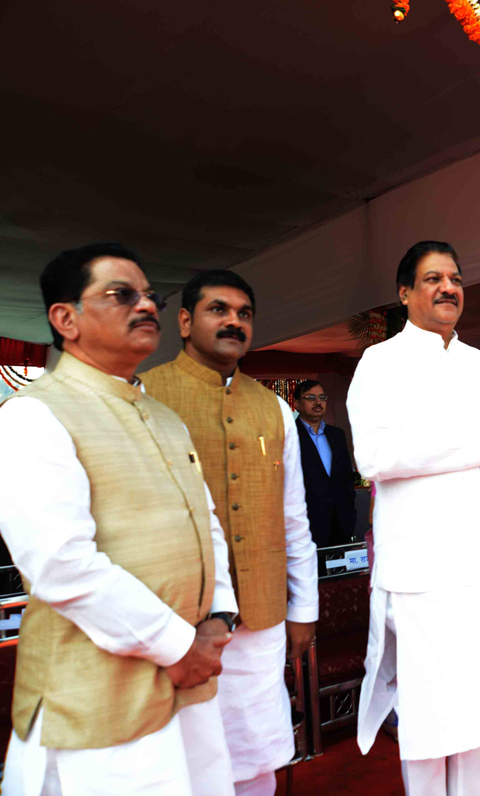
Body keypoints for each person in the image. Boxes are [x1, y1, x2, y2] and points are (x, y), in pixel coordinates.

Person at [0, 244, 238, 794]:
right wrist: (180, 647)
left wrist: (220, 616)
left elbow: (207, 524)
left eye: (150, 295)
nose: (147, 306)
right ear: (66, 319)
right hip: (100, 699)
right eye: (121, 295)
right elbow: (63, 566)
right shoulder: (35, 414)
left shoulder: (162, 416)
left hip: (191, 679)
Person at [347, 241, 480, 796]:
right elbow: (376, 457)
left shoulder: (478, 362)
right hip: (423, 569)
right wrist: (478, 443)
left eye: (455, 278)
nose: (448, 288)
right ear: (405, 293)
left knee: (478, 712)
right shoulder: (380, 362)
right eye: (433, 278)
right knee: (430, 716)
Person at [140, 269, 318, 796]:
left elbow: (294, 516)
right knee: (187, 759)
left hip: (261, 617)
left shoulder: (276, 408)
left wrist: (302, 609)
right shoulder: (147, 394)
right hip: (180, 619)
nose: (233, 322)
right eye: (219, 310)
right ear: (185, 320)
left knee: (257, 753)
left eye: (244, 314)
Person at [294, 379, 359, 547]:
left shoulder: (336, 435)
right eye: (310, 398)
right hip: (305, 525)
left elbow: (346, 477)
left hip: (340, 523)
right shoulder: (289, 436)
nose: (317, 402)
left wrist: (350, 513)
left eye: (322, 398)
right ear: (297, 404)